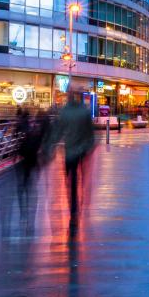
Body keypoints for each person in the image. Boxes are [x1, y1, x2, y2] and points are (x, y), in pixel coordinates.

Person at [49, 97, 95, 232]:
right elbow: (90, 134)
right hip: (81, 151)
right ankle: (79, 202)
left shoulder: (64, 112)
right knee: (79, 177)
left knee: (71, 179)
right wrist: (88, 147)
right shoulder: (85, 112)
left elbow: (57, 131)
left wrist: (49, 146)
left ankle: (73, 207)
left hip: (69, 152)